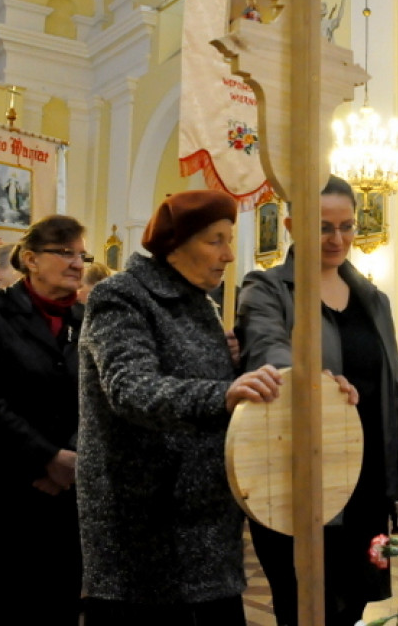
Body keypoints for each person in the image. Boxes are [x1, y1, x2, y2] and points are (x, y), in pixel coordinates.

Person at [78, 190, 288, 626]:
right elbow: (129, 389)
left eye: (229, 240)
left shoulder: (202, 305)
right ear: (176, 243)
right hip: (145, 525)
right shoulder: (121, 296)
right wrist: (223, 394)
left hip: (207, 522)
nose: (229, 255)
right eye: (216, 240)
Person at [236, 175, 398, 626]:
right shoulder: (266, 288)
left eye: (347, 226)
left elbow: (396, 389)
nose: (337, 239)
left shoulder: (372, 299)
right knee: (303, 605)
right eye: (323, 227)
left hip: (366, 477)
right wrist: (310, 379)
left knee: (354, 603)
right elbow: (266, 347)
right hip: (296, 477)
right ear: (291, 224)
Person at [0, 216, 88, 625]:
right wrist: (46, 458)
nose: (78, 263)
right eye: (64, 253)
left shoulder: (84, 320)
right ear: (31, 260)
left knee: (50, 606)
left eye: (81, 254)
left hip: (59, 496)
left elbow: (93, 401)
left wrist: (69, 458)